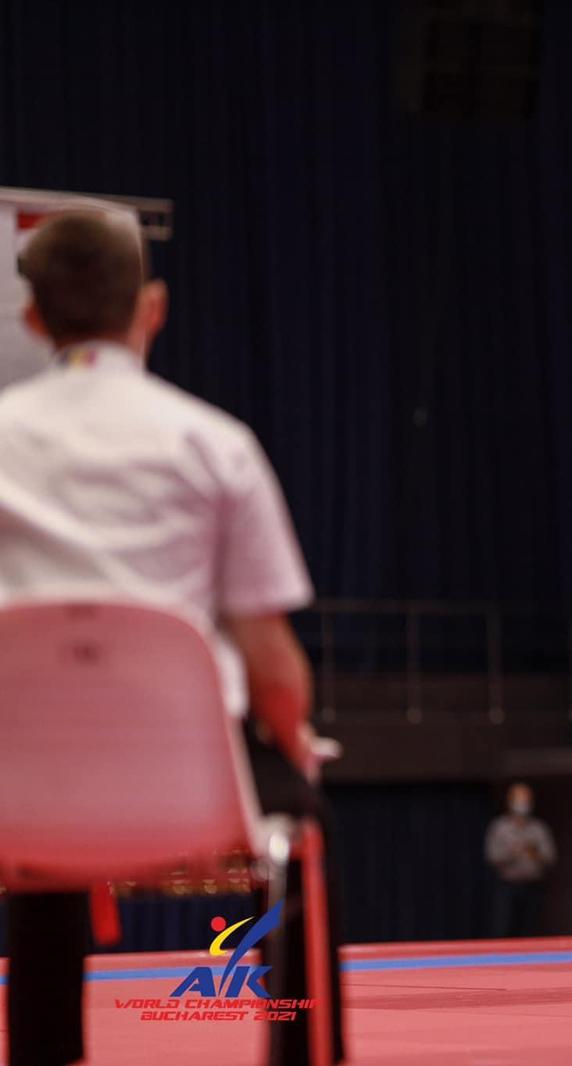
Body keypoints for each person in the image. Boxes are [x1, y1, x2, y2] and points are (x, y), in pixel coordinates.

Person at [0, 211, 345, 1066]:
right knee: (295, 822)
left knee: (39, 806)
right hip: (194, 787)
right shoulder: (215, 444)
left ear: (33, 319)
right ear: (152, 307)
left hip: (19, 798)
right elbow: (272, 667)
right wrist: (294, 744)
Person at [485, 782, 558, 937]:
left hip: (532, 885)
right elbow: (492, 856)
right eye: (519, 800)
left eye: (526, 800)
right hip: (507, 885)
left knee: (530, 929)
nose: (522, 804)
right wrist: (513, 852)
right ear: (510, 801)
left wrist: (534, 852)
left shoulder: (538, 828)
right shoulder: (500, 827)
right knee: (502, 927)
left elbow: (550, 857)